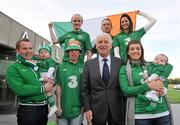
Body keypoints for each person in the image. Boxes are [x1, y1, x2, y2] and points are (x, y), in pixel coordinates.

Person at [119, 41, 173, 125]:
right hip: (140, 116)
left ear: (142, 51)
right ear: (128, 52)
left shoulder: (151, 64)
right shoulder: (124, 69)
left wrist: (163, 89)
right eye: (132, 49)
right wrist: (148, 86)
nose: (135, 51)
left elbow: (164, 75)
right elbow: (126, 91)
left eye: (138, 48)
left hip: (162, 113)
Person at [6, 38, 54, 125]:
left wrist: (49, 82)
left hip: (43, 108)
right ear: (18, 50)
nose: (28, 51)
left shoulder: (35, 65)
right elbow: (19, 89)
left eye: (30, 48)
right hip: (28, 110)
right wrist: (43, 88)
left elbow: (43, 82)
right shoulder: (13, 68)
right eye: (24, 49)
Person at [81, 33, 125, 125]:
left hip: (117, 109)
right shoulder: (88, 64)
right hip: (96, 110)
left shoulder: (120, 63)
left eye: (106, 42)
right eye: (100, 42)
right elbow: (84, 89)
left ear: (111, 45)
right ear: (96, 45)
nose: (103, 44)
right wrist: (87, 108)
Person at [55, 39, 84, 125]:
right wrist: (58, 106)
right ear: (67, 52)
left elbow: (86, 88)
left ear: (79, 52)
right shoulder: (60, 67)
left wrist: (85, 105)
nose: (74, 52)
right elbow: (59, 87)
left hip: (77, 109)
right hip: (63, 109)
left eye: (76, 50)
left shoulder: (85, 67)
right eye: (71, 50)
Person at [38, 44, 58, 118]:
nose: (43, 54)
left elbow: (51, 69)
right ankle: (51, 107)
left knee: (48, 92)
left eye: (45, 52)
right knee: (45, 93)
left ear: (49, 54)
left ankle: (53, 107)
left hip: (47, 78)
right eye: (41, 52)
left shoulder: (50, 60)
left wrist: (47, 77)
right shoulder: (40, 61)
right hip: (42, 78)